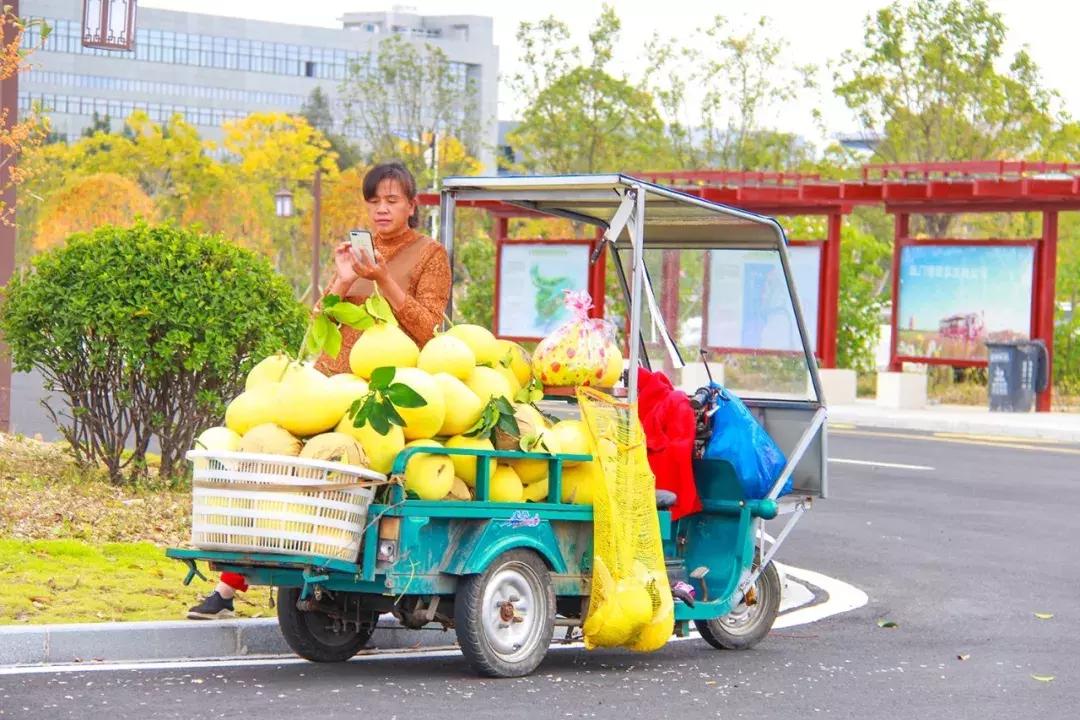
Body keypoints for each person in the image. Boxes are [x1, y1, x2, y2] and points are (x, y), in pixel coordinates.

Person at [187, 161, 452, 619]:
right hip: (328, 385)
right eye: (374, 202)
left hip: (386, 393)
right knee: (277, 464)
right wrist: (343, 280)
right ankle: (233, 583)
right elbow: (316, 333)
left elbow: (430, 330)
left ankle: (342, 584)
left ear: (413, 205)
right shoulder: (356, 253)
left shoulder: (430, 255)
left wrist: (383, 279)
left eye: (392, 201)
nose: (382, 210)